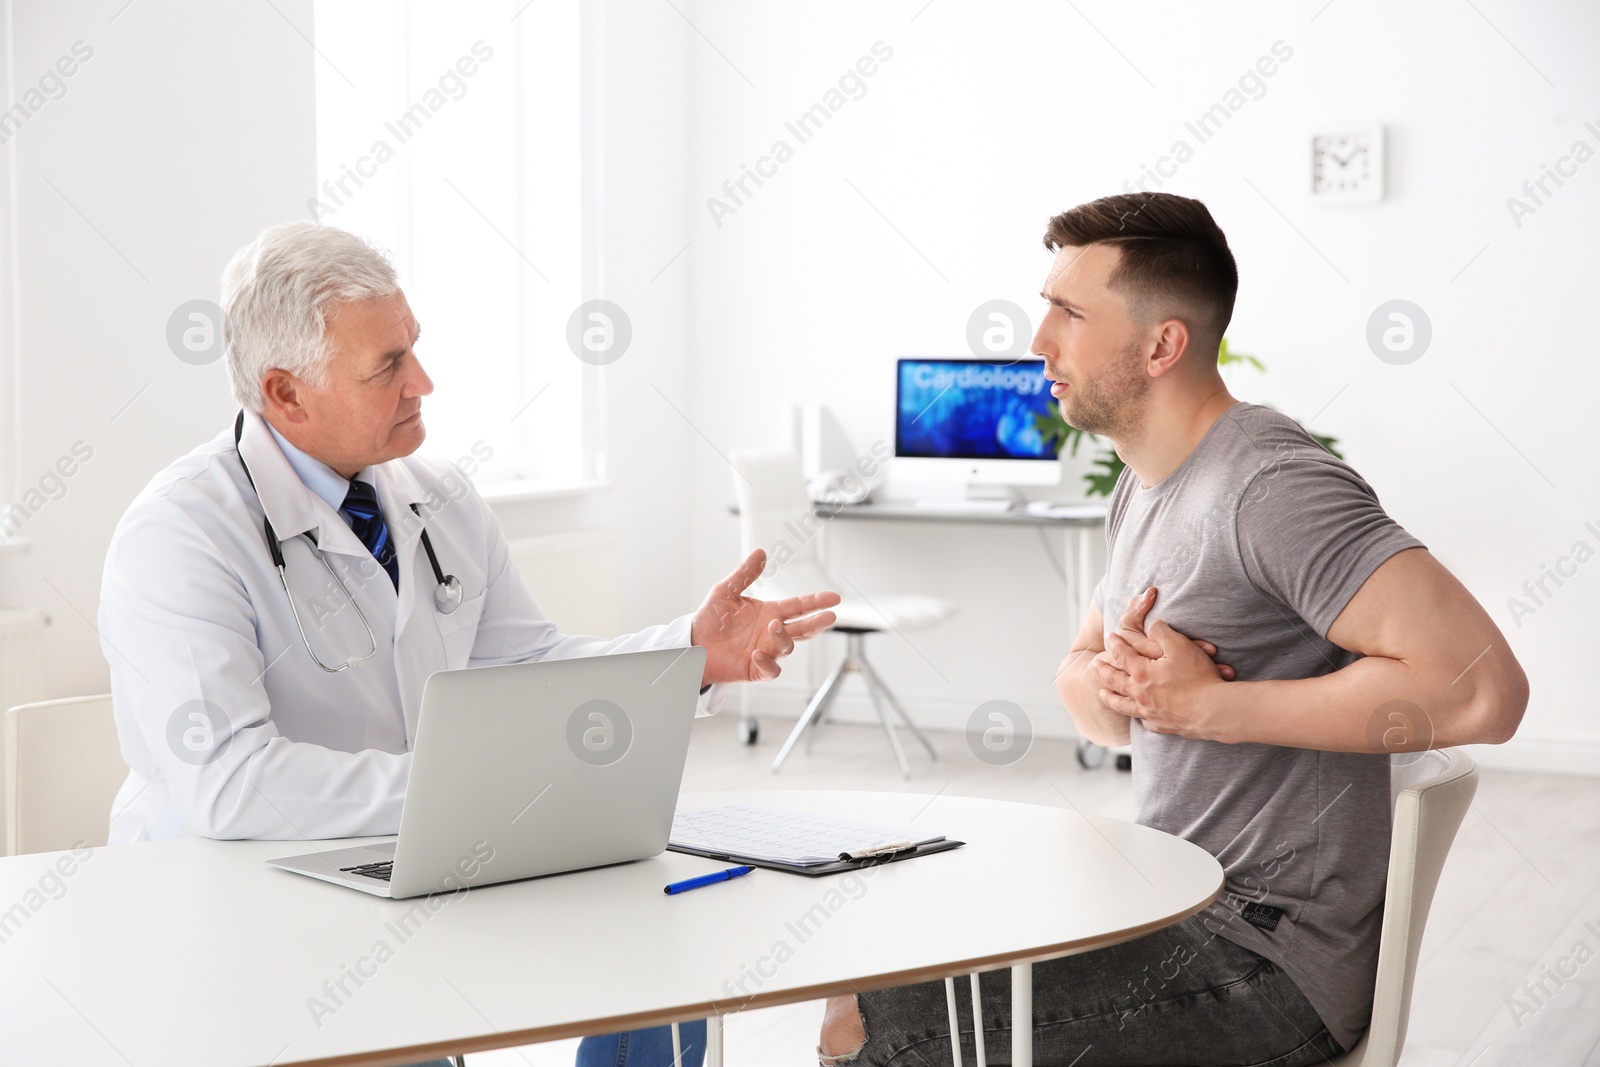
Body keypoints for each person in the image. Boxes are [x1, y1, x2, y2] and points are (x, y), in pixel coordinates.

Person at [98, 221, 839, 1067]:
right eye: (388, 366)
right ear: (286, 393)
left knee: (658, 943)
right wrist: (466, 793)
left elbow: (526, 668)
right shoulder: (183, 533)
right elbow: (229, 785)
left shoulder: (436, 494)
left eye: (413, 347)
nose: (424, 381)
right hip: (235, 912)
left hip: (394, 864)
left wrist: (689, 654)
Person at [816, 192, 1529, 1065]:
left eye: (1069, 313)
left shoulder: (1271, 487)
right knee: (870, 940)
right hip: (1167, 900)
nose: (1038, 341)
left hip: (1261, 961)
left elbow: (1486, 691)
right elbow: (1085, 682)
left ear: (1163, 344)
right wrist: (1115, 686)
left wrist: (1210, 707)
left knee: (871, 1018)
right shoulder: (1143, 483)